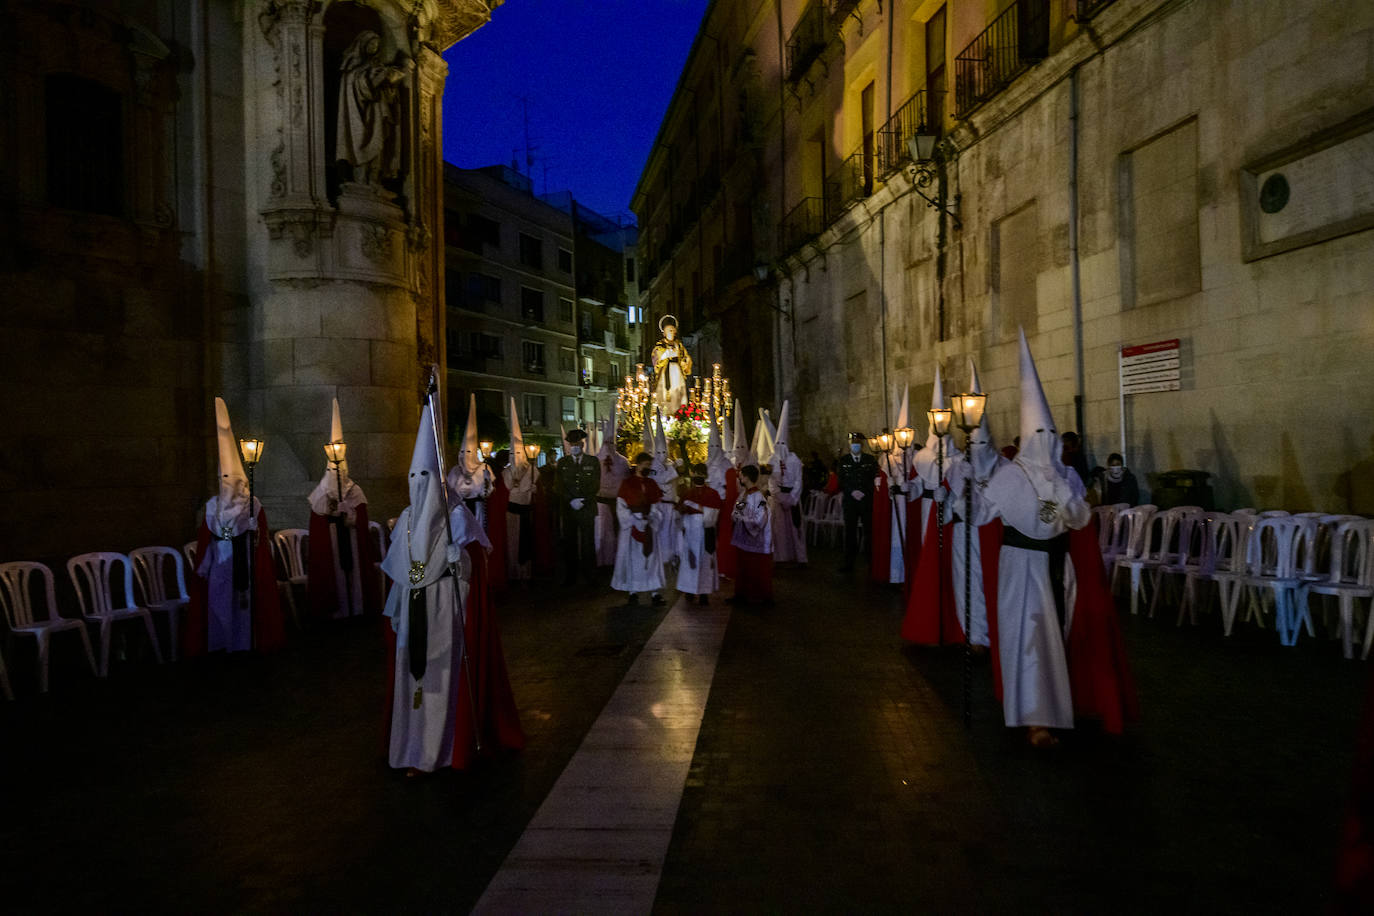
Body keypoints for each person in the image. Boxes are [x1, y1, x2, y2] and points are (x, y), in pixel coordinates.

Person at [984, 330, 1137, 748]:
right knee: (1031, 637)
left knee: (1060, 637)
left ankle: (1062, 706)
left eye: (1053, 438)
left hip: (1058, 565)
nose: (1048, 446)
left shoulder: (1066, 476)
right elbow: (981, 511)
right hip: (1021, 566)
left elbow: (1079, 518)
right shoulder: (1009, 476)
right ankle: (1034, 719)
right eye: (1042, 439)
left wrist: (1062, 492)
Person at [381, 402, 523, 774]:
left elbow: (477, 562)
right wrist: (396, 609)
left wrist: (458, 557)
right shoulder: (408, 520)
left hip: (445, 606)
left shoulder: (456, 516)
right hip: (416, 607)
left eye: (424, 478)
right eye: (413, 478)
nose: (418, 487)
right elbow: (399, 571)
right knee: (413, 673)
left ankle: (443, 748)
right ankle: (411, 747)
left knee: (441, 673)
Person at [185, 398, 286, 656]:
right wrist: (209, 560)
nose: (229, 487)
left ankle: (244, 643)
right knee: (220, 604)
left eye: (233, 481)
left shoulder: (252, 505)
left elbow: (259, 539)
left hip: (245, 564)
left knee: (243, 607)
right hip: (220, 562)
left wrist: (252, 529)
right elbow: (212, 537)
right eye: (224, 481)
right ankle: (222, 642)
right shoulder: (212, 508)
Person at [307, 398, 380, 619]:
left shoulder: (354, 490)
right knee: (336, 575)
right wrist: (331, 512)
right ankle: (336, 610)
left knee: (354, 575)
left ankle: (356, 608)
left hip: (351, 539)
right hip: (331, 543)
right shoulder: (321, 491)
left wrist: (350, 515)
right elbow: (318, 519)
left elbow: (362, 518)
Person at [336, 31, 406, 187]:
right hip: (361, 115)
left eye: (377, 45)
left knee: (379, 147)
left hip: (379, 113)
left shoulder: (377, 66)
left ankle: (374, 181)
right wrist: (379, 78)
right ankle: (361, 181)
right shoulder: (353, 67)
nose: (375, 47)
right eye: (372, 44)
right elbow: (358, 88)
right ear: (363, 45)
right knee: (360, 146)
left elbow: (387, 92)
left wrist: (390, 86)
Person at [613, 451, 667, 606]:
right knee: (633, 561)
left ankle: (655, 592)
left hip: (649, 526)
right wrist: (633, 520)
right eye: (646, 465)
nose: (648, 468)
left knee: (651, 559)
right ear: (638, 465)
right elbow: (621, 505)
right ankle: (633, 591)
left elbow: (657, 506)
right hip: (632, 527)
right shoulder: (627, 483)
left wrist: (652, 518)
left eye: (649, 465)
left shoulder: (652, 484)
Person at [556, 428, 600, 586]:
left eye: (577, 443)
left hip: (587, 508)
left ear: (582, 444)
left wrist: (584, 500)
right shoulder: (562, 463)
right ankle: (570, 575)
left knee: (588, 543)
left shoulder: (593, 461)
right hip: (569, 510)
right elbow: (559, 486)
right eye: (571, 444)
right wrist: (570, 500)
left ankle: (590, 575)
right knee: (570, 543)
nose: (574, 446)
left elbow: (595, 484)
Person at [676, 464, 723, 604]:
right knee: (690, 562)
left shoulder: (713, 494)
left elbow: (714, 515)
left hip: (705, 532)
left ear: (706, 475)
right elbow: (679, 512)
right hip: (690, 532)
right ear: (693, 474)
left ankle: (704, 593)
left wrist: (697, 507)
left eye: (702, 473)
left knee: (705, 563)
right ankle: (689, 591)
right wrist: (683, 511)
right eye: (697, 473)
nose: (699, 476)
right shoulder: (687, 492)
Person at [769, 401, 808, 565]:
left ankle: (799, 556)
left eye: (782, 444)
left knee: (795, 528)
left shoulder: (794, 459)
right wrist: (778, 497)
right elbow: (772, 481)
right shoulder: (772, 460)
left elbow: (799, 479)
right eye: (778, 444)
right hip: (779, 499)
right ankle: (781, 556)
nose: (780, 448)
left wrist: (792, 498)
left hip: (792, 497)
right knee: (780, 530)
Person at [729, 464, 773, 605]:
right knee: (743, 568)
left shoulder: (758, 497)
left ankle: (756, 597)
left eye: (741, 474)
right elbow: (736, 513)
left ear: (747, 477)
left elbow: (760, 519)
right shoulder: (744, 494)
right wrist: (736, 516)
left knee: (755, 569)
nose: (739, 477)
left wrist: (743, 519)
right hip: (744, 540)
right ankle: (741, 594)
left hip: (755, 541)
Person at [503, 398, 536, 583]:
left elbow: (529, 489)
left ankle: (526, 572)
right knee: (512, 543)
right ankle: (513, 571)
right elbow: (509, 487)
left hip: (525, 511)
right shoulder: (506, 471)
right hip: (511, 512)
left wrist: (529, 487)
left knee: (526, 542)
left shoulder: (532, 470)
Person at [837, 432, 879, 573]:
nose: (855, 445)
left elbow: (874, 477)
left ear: (862, 444)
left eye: (858, 442)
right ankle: (849, 563)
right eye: (853, 442)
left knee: (869, 532)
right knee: (850, 532)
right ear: (850, 444)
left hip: (866, 500)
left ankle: (871, 562)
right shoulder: (844, 461)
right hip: (850, 501)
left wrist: (865, 491)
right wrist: (851, 491)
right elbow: (841, 480)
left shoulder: (870, 459)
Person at [595, 413, 631, 569]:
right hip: (601, 502)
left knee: (618, 532)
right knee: (602, 532)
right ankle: (603, 560)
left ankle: (618, 560)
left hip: (618, 503)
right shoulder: (596, 460)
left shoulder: (623, 462)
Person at [650, 314, 693, 415]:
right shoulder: (660, 345)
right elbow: (657, 356)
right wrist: (668, 353)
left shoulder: (679, 345)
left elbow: (685, 356)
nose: (672, 333)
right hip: (665, 372)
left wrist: (684, 362)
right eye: (669, 330)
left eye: (673, 330)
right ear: (664, 333)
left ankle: (680, 413)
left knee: (678, 391)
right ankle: (665, 414)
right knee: (665, 393)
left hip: (677, 372)